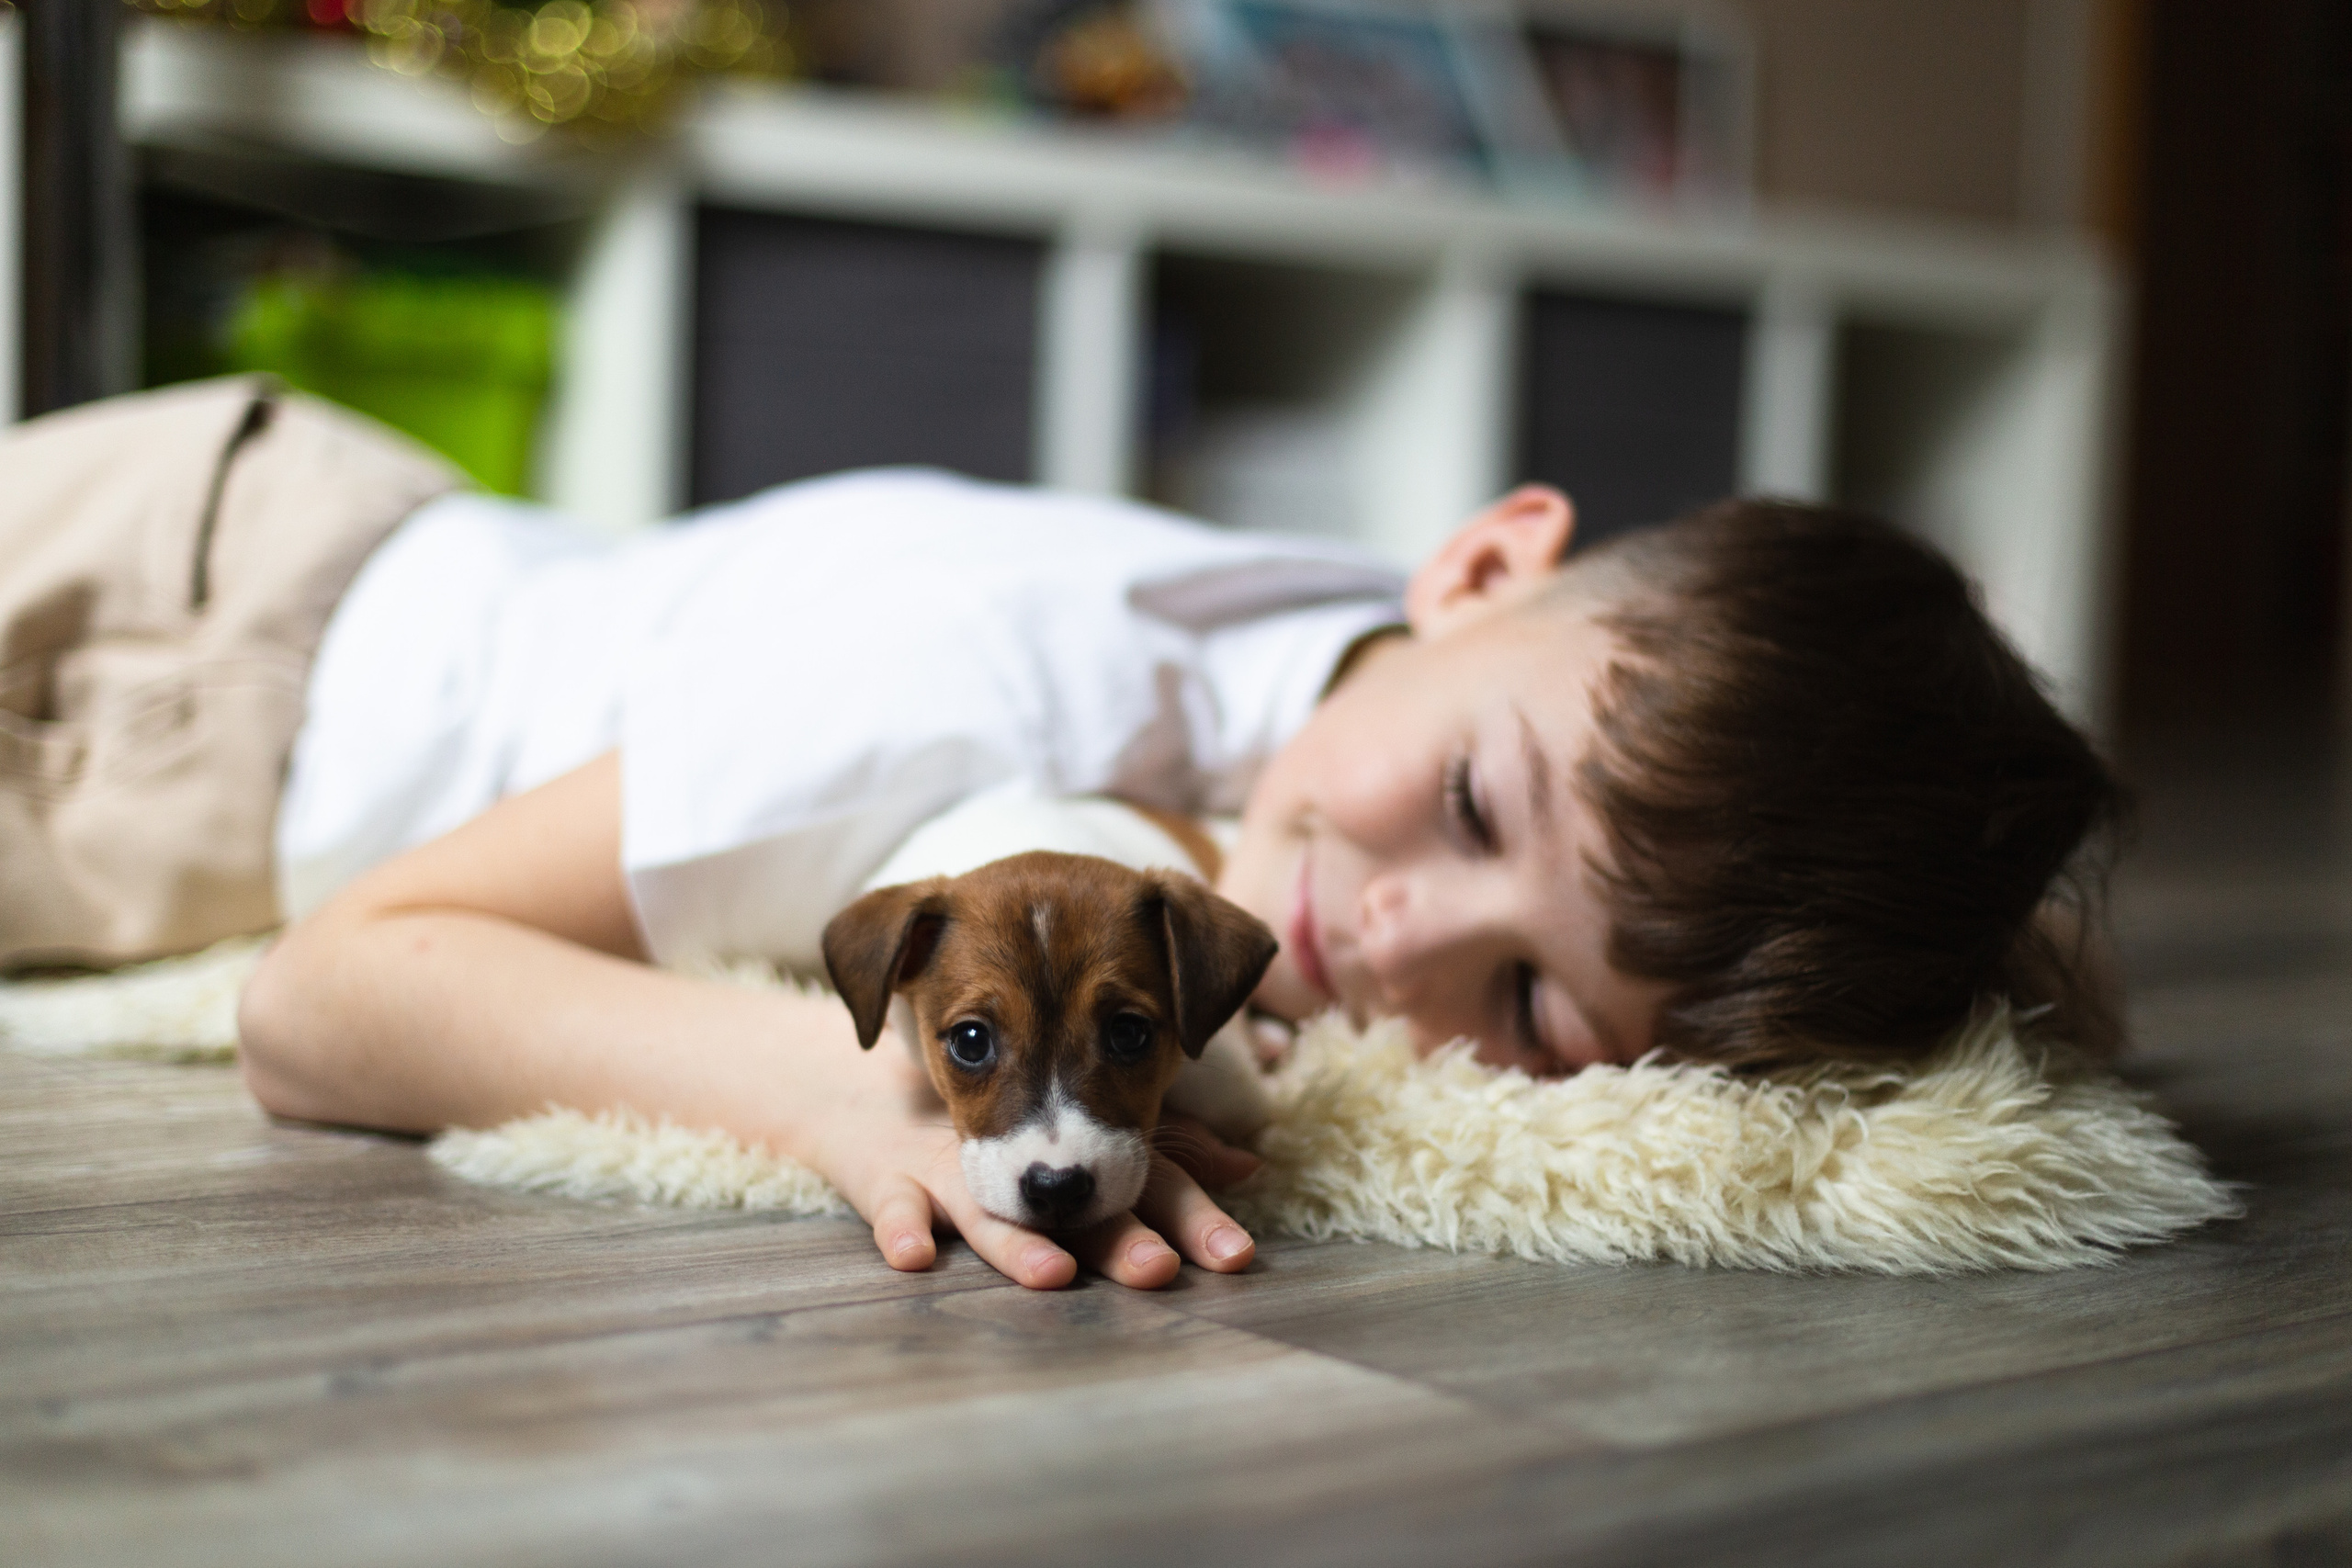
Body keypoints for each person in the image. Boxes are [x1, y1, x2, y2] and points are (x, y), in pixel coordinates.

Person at [0, 377, 2122, 1294]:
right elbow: (319, 996)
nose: (1387, 936)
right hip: (170, 660)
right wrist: (863, 1110)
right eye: (1475, 808)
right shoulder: (969, 685)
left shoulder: (1353, 688)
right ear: (1476, 560)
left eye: (1531, 1005)